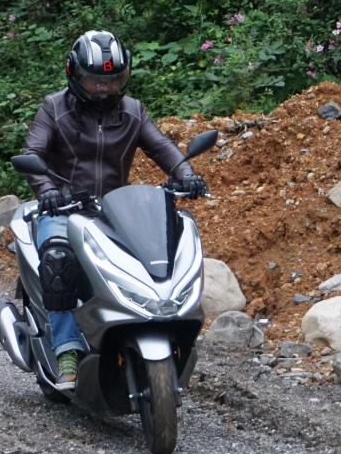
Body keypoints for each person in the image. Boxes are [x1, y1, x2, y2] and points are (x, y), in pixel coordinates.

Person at [21, 29, 207, 389]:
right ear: (73, 75)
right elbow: (33, 154)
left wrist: (187, 173)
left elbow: (162, 147)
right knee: (58, 258)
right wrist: (47, 190)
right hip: (66, 207)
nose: (104, 89)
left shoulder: (133, 111)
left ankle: (158, 332)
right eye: (94, 81)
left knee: (164, 252)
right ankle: (67, 351)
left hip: (115, 210)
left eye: (113, 80)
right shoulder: (54, 108)